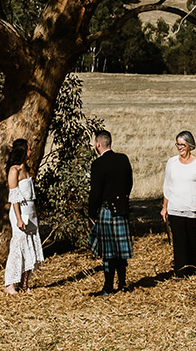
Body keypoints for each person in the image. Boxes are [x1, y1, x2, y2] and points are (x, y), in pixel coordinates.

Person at [159, 129, 196, 275]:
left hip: (193, 209)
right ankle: (180, 270)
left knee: (192, 239)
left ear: (189, 145)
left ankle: (194, 268)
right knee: (179, 241)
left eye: (183, 144)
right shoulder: (172, 162)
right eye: (177, 144)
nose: (180, 147)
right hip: (175, 208)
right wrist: (164, 207)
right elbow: (167, 186)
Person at [86, 126, 133, 295]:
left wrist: (92, 213)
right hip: (121, 209)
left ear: (98, 144)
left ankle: (107, 287)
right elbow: (129, 184)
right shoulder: (123, 159)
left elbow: (95, 192)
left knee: (108, 252)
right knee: (121, 251)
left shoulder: (98, 164)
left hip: (106, 210)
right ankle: (122, 284)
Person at [2, 137, 43, 293]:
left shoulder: (27, 169)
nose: (31, 151)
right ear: (23, 151)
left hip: (30, 211)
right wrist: (19, 218)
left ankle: (24, 283)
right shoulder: (14, 170)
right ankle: (10, 283)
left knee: (30, 245)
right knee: (18, 245)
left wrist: (35, 215)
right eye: (29, 148)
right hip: (20, 212)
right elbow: (14, 197)